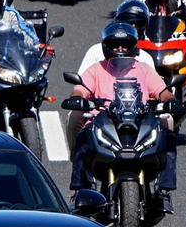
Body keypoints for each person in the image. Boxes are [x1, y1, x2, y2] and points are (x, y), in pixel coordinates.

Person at [67, 23, 177, 208]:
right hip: (103, 122)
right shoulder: (95, 69)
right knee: (82, 140)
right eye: (115, 44)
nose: (120, 49)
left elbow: (161, 91)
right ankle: (80, 189)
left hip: (139, 121)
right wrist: (78, 98)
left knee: (169, 136)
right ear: (105, 47)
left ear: (133, 47)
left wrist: (170, 99)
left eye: (124, 45)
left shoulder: (143, 69)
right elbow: (80, 89)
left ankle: (164, 189)